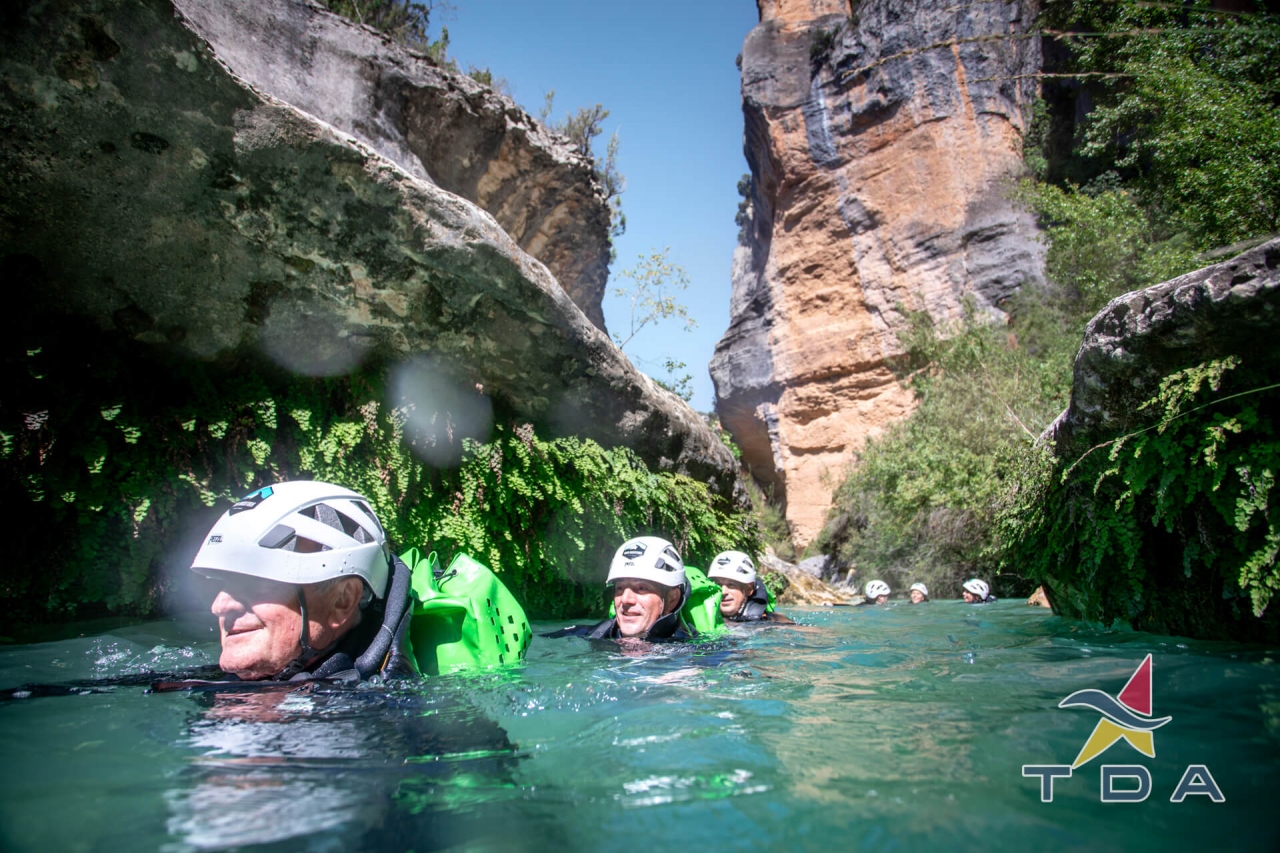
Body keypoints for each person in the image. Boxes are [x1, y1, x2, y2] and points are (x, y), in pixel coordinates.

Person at [189, 481, 417, 682]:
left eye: (256, 583)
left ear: (342, 601)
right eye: (224, 583)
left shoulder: (384, 714)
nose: (219, 606)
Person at [545, 536, 698, 641]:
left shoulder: (695, 654)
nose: (625, 599)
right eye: (619, 588)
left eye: (642, 588)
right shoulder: (590, 635)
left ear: (672, 599)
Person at [707, 550, 794, 624]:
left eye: (731, 585)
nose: (723, 592)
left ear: (749, 589)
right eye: (718, 584)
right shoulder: (706, 618)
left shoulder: (773, 621)